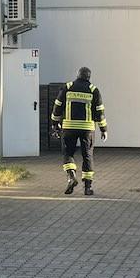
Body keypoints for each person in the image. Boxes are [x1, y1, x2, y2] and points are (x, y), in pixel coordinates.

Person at [49, 67, 108, 195]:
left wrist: (55, 123)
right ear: (89, 77)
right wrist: (103, 129)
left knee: (68, 153)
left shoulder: (67, 87)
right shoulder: (93, 90)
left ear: (77, 75)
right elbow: (100, 111)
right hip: (87, 129)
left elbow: (57, 106)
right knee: (87, 156)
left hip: (69, 127)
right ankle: (87, 188)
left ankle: (71, 177)